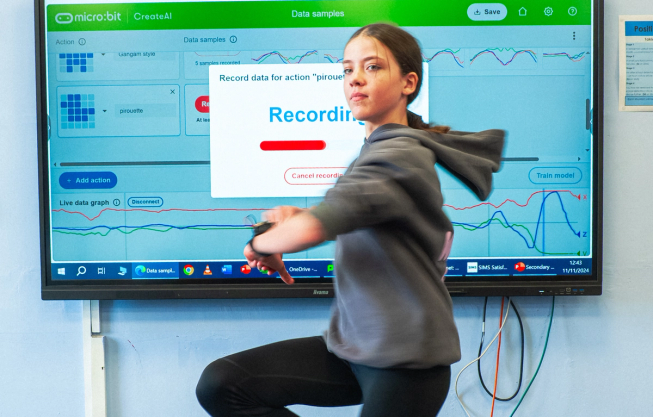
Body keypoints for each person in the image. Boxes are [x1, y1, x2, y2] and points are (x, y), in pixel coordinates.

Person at [196, 23, 505, 417]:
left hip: (406, 364)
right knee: (224, 384)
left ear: (408, 82)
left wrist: (261, 244)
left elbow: (315, 229)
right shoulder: (377, 150)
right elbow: (361, 217)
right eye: (347, 69)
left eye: (373, 67)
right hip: (355, 348)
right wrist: (300, 215)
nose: (355, 79)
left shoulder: (400, 155)